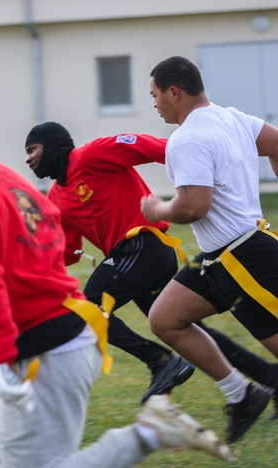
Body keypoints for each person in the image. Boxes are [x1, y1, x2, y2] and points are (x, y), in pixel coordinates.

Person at [0, 94, 233, 468]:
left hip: (51, 350)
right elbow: (32, 264)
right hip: (61, 337)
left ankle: (149, 432)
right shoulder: (4, 179)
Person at [19, 122, 278, 408]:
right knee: (184, 328)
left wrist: (199, 174)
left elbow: (155, 147)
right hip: (138, 259)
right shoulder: (54, 199)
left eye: (33, 149)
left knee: (85, 311)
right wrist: (34, 232)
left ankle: (160, 361)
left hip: (144, 246)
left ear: (53, 143)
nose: (29, 158)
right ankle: (265, 379)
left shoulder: (92, 154)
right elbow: (66, 253)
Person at [141, 55, 278, 443]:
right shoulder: (232, 117)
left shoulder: (186, 139)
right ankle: (243, 395)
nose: (154, 104)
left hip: (247, 256)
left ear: (174, 92)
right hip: (223, 258)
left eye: (155, 96)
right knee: (164, 317)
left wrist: (157, 208)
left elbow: (193, 206)